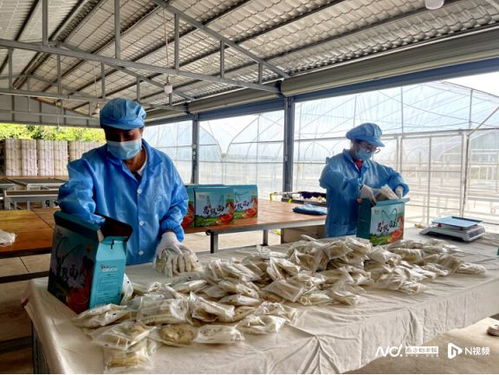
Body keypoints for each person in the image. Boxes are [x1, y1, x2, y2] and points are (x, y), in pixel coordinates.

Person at [58, 98, 191, 265]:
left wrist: (169, 233)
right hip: (108, 262)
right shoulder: (90, 165)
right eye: (112, 135)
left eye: (128, 134)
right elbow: (75, 202)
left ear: (141, 129)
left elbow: (177, 202)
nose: (120, 142)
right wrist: (96, 232)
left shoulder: (163, 165)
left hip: (155, 259)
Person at [319, 122, 409, 238]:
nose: (370, 151)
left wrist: (399, 186)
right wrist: (358, 188)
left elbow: (394, 175)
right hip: (340, 228)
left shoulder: (374, 167)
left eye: (374, 149)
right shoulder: (336, 162)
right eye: (367, 147)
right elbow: (328, 176)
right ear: (354, 142)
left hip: (367, 228)